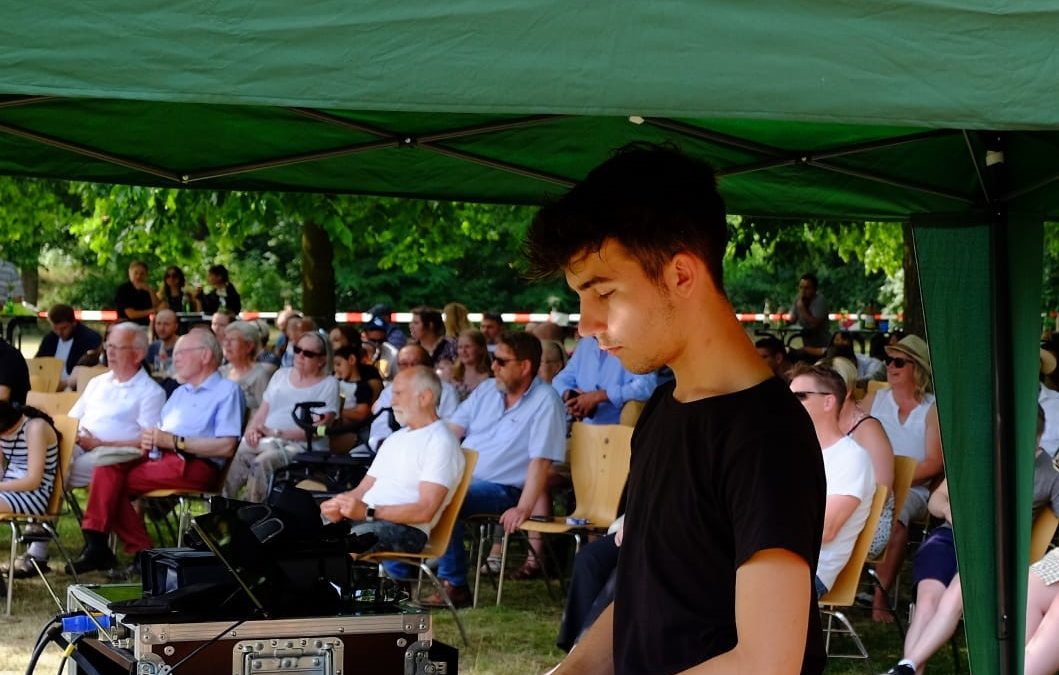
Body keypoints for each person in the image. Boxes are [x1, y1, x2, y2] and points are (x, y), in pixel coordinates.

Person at [526, 144, 826, 674]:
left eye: (604, 293)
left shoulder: (766, 435)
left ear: (681, 275)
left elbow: (766, 662)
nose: (587, 324)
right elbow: (649, 596)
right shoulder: (664, 408)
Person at [884, 403, 1059, 674]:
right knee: (928, 599)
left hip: (994, 550)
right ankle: (909, 669)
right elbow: (936, 500)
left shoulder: (1049, 472)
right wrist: (950, 513)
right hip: (949, 537)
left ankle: (906, 667)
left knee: (954, 598)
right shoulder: (980, 455)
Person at [67, 329, 243, 575]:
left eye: (181, 353)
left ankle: (112, 545)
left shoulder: (227, 391)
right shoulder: (181, 393)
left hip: (192, 465)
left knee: (109, 481)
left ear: (204, 356)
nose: (175, 359)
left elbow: (227, 447)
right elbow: (156, 433)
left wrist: (175, 442)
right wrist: (152, 439)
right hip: (157, 459)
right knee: (107, 468)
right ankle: (132, 552)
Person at [420, 331, 566, 609]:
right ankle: (397, 576)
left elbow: (540, 462)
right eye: (493, 359)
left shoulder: (546, 401)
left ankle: (455, 585)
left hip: (504, 490)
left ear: (524, 367)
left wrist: (523, 508)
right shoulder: (488, 390)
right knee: (414, 487)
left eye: (501, 361)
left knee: (445, 496)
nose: (494, 366)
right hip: (464, 479)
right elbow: (451, 431)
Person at [320, 366, 464, 570]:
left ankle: (325, 596)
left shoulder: (441, 442)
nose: (392, 401)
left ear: (425, 398)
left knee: (346, 542)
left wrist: (368, 512)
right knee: (307, 529)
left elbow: (425, 510)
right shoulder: (395, 438)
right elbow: (361, 491)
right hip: (368, 520)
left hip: (406, 530)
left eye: (398, 393)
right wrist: (338, 506)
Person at [862, 334, 943, 623]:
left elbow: (935, 463)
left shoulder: (932, 408)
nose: (890, 367)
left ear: (916, 368)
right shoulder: (874, 399)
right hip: (869, 483)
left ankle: (880, 601)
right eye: (888, 360)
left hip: (914, 488)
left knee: (896, 519)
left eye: (899, 362)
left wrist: (894, 480)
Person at [788, 363, 875, 597]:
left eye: (800, 396)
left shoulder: (852, 458)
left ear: (828, 402)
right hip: (772, 559)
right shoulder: (790, 450)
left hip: (808, 571)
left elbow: (824, 531)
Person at [226, 330, 339, 502]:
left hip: (301, 447)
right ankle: (221, 512)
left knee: (263, 462)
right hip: (267, 440)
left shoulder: (329, 384)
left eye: (308, 353)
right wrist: (253, 430)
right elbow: (261, 412)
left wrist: (275, 433)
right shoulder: (280, 375)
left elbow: (318, 430)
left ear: (322, 360)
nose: (300, 355)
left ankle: (252, 513)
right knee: (231, 457)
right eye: (297, 349)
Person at [820, 356, 895, 558]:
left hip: (866, 522)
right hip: (829, 514)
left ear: (846, 391)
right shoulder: (822, 424)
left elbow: (882, 493)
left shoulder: (869, 429)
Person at [368, 345, 460, 450]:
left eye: (415, 363)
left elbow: (451, 430)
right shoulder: (389, 392)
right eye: (404, 364)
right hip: (392, 452)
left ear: (429, 367)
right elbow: (378, 431)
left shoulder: (446, 391)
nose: (409, 368)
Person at [551, 335, 657, 425]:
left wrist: (602, 396)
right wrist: (571, 397)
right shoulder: (586, 343)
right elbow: (559, 381)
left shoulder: (634, 344)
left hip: (618, 433)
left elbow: (648, 386)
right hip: (582, 430)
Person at [35, 303, 102, 390]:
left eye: (64, 328)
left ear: (73, 323)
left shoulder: (90, 339)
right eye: (55, 328)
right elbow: (38, 363)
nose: (59, 333)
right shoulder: (50, 339)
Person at [220, 321, 275, 418]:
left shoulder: (260, 375)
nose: (227, 344)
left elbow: (267, 413)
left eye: (232, 340)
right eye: (225, 339)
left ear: (249, 346)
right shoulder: (221, 372)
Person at [789, 272, 830, 358]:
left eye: (807, 288)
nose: (803, 291)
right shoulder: (798, 299)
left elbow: (814, 324)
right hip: (807, 343)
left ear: (814, 289)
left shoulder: (820, 301)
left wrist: (802, 309)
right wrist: (783, 315)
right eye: (801, 287)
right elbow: (792, 319)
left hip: (822, 345)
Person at [449, 329, 492, 401]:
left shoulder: (490, 378)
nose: (463, 351)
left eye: (468, 346)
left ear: (481, 349)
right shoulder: (451, 375)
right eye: (460, 347)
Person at [115, 261, 155, 326]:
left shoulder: (147, 290)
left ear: (146, 275)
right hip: (126, 325)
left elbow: (157, 306)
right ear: (130, 273)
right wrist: (153, 311)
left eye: (142, 274)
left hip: (144, 326)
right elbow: (131, 314)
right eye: (135, 273)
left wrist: (151, 291)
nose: (138, 276)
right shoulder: (124, 289)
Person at [145, 308, 179, 377]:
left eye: (166, 324)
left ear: (176, 326)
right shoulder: (153, 348)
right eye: (158, 323)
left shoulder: (185, 347)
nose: (161, 328)